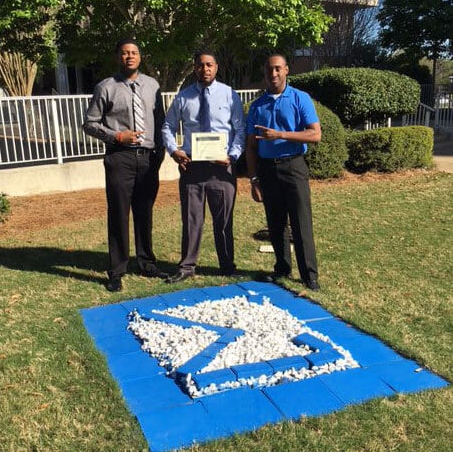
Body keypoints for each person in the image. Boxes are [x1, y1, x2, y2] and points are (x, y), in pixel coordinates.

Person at [83, 38, 167, 292]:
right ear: (117, 57)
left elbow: (160, 120)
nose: (130, 56)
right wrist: (116, 136)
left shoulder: (152, 85)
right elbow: (90, 123)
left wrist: (160, 152)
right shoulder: (106, 87)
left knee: (145, 212)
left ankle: (146, 262)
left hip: (149, 158)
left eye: (134, 52)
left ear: (140, 57)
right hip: (120, 157)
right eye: (124, 53)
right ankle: (117, 270)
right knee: (119, 213)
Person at [162, 50, 245, 283]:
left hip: (222, 168)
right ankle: (187, 267)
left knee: (224, 220)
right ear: (194, 67)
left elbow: (240, 129)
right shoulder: (183, 97)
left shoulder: (229, 95)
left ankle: (227, 265)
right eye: (200, 65)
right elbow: (167, 126)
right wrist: (173, 150)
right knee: (191, 219)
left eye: (209, 65)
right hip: (192, 167)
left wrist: (233, 156)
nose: (205, 69)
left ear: (216, 67)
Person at [245, 54, 321, 291]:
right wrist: (253, 178)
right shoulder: (257, 106)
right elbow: (250, 146)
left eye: (278, 69)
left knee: (301, 222)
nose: (273, 74)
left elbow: (315, 134)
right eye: (269, 70)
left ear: (287, 70)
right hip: (267, 169)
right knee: (276, 223)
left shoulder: (300, 98)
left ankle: (309, 275)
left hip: (293, 167)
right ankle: (282, 268)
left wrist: (281, 135)